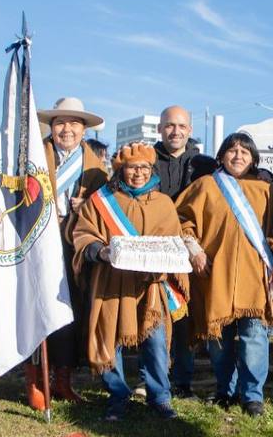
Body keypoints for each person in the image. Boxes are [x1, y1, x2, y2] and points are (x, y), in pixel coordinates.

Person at [71, 142, 186, 421]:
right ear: (120, 170)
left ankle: (160, 397)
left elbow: (174, 240)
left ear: (152, 170)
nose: (138, 173)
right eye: (131, 168)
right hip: (111, 280)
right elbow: (83, 234)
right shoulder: (101, 201)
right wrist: (100, 251)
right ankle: (117, 396)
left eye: (144, 168)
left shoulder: (164, 204)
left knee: (156, 342)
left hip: (150, 285)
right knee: (111, 338)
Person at [175, 132, 273, 417]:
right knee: (219, 339)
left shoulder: (266, 191)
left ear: (253, 159)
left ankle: (252, 396)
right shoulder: (205, 186)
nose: (238, 156)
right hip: (216, 274)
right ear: (222, 154)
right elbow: (180, 221)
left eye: (245, 152)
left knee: (253, 335)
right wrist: (194, 250)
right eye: (232, 150)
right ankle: (225, 389)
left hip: (253, 275)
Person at [33, 96, 108, 410]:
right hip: (40, 239)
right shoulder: (35, 157)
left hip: (76, 245)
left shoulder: (96, 169)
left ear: (84, 130)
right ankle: (37, 378)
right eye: (60, 122)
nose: (67, 129)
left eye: (74, 124)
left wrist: (88, 207)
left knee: (71, 309)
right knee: (39, 306)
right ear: (51, 126)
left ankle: (63, 378)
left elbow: (108, 211)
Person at [152, 105, 212, 398]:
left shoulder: (205, 164)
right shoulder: (145, 161)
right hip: (154, 249)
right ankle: (154, 376)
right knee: (153, 316)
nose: (175, 131)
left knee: (184, 316)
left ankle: (183, 381)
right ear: (160, 129)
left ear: (189, 130)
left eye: (181, 126)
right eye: (169, 126)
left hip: (190, 250)